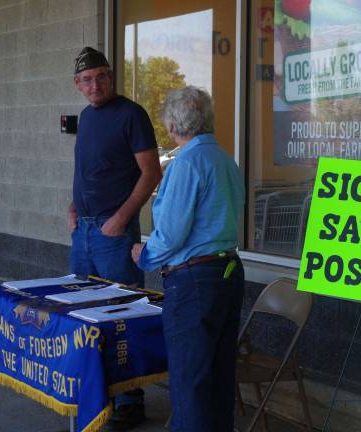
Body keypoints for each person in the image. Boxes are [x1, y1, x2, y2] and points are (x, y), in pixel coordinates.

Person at [132, 86, 245, 432]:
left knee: (190, 381)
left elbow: (172, 232)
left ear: (171, 126)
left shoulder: (187, 164)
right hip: (228, 272)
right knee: (220, 376)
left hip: (195, 278)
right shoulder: (226, 160)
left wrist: (145, 255)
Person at [69, 46, 163, 430]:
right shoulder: (87, 118)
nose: (96, 85)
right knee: (85, 312)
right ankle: (99, 393)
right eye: (88, 80)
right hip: (84, 232)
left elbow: (151, 172)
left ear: (112, 77)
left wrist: (123, 217)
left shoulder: (131, 114)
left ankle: (131, 401)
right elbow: (88, 169)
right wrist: (72, 207)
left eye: (102, 77)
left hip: (113, 232)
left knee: (121, 312)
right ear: (78, 85)